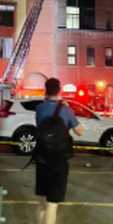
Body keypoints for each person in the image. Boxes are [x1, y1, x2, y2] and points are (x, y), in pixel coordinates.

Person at [34, 75, 84, 224]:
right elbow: (79, 131)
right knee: (52, 204)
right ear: (59, 90)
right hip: (59, 160)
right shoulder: (65, 109)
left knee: (41, 201)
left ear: (46, 90)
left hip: (42, 158)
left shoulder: (40, 108)